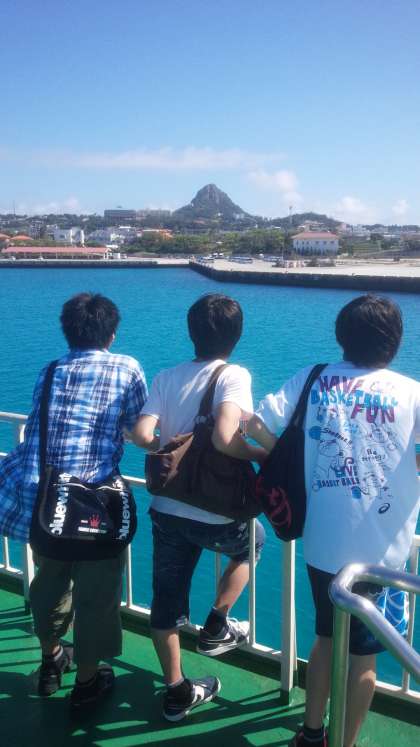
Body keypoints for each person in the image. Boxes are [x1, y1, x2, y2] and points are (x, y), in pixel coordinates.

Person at [247, 294, 420, 747]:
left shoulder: (315, 377)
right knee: (364, 658)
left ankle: (311, 733)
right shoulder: (411, 392)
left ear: (342, 336)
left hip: (322, 542)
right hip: (383, 554)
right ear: (395, 340)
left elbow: (255, 424)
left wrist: (284, 459)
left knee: (326, 636)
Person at [0, 293, 148, 711]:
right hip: (92, 503)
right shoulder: (127, 367)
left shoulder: (49, 371)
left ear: (68, 332)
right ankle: (87, 681)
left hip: (44, 498)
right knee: (96, 594)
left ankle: (51, 661)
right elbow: (137, 427)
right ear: (111, 334)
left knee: (49, 584)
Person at [132, 293, 266, 722]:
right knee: (253, 541)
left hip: (168, 507)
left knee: (166, 602)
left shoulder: (166, 377)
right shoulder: (233, 375)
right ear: (236, 335)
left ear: (191, 332)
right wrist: (263, 455)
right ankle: (217, 624)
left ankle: (176, 693)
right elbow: (227, 438)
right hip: (215, 510)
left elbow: (143, 435)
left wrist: (171, 447)